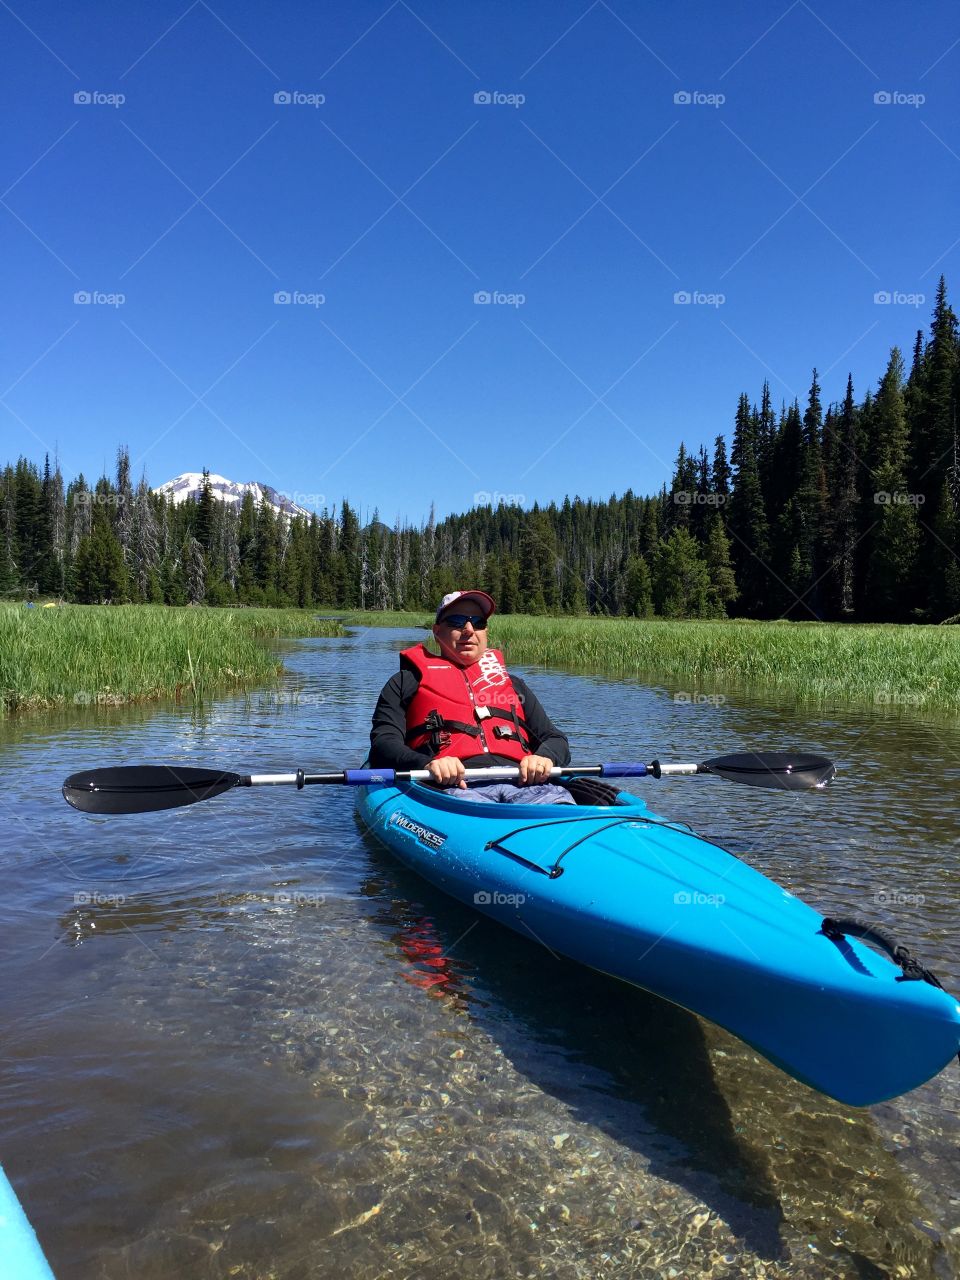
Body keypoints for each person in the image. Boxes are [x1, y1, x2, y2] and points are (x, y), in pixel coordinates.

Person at [369, 590, 576, 805]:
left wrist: (544, 758)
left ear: (486, 632)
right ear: (437, 632)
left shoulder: (514, 685)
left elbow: (555, 739)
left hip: (525, 784)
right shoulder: (405, 682)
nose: (469, 630)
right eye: (457, 622)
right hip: (451, 786)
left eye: (478, 623)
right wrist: (427, 764)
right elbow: (383, 745)